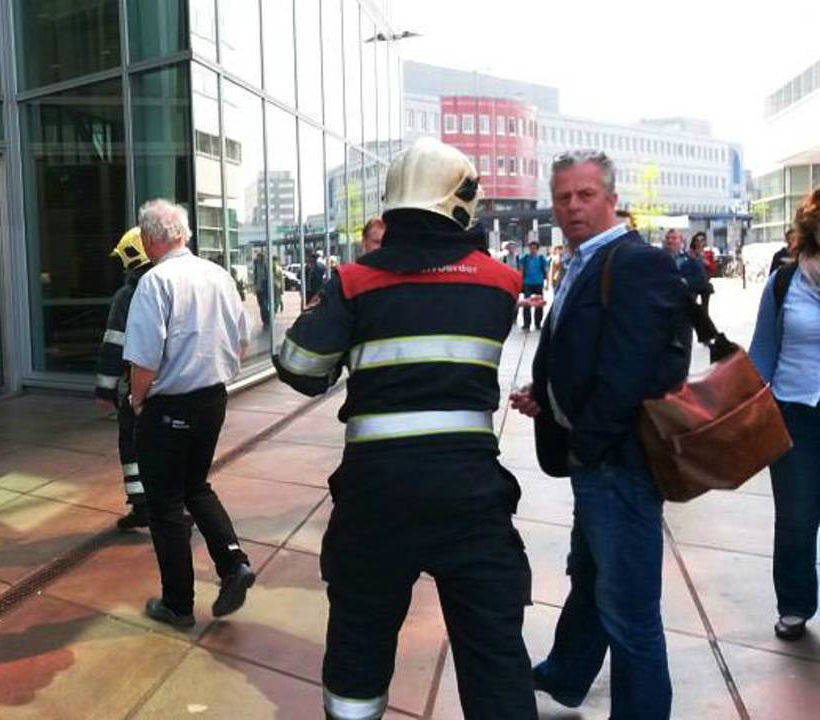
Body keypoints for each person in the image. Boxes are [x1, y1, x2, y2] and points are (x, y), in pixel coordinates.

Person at [276, 138, 536, 720]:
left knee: (358, 648)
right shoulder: (499, 282)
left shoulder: (354, 281)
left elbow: (299, 369)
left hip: (376, 499)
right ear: (460, 201)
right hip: (470, 497)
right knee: (495, 658)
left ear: (392, 205)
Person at [510, 150, 689, 719]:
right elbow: (582, 353)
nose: (572, 206)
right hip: (596, 457)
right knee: (589, 577)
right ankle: (567, 673)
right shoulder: (583, 260)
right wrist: (551, 400)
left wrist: (586, 440)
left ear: (611, 198)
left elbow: (628, 372)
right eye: (563, 196)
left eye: (585, 195)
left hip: (620, 463)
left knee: (630, 608)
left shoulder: (635, 262)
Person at [123, 198, 256, 630]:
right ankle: (234, 562)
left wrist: (138, 402)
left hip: (169, 407)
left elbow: (143, 361)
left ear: (147, 240)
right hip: (212, 399)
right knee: (196, 486)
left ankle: (178, 604)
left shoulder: (154, 282)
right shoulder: (218, 275)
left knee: (164, 505)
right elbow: (243, 343)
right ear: (184, 234)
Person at [749, 187, 820, 642]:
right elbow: (761, 356)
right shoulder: (784, 282)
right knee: (795, 519)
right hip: (794, 416)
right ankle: (795, 604)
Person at [95, 226, 153, 531]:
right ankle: (176, 505)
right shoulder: (176, 284)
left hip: (140, 388)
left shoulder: (127, 296)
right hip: (182, 387)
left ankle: (142, 505)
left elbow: (114, 346)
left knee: (132, 444)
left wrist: (105, 390)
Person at [518, 240, 549, 331]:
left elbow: (546, 270)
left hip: (539, 283)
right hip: (527, 283)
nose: (532, 250)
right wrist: (520, 281)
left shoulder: (541, 258)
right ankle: (526, 324)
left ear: (537, 249)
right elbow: (521, 269)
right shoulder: (525, 258)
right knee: (526, 303)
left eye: (534, 248)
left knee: (539, 304)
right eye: (531, 248)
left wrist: (547, 283)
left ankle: (538, 323)